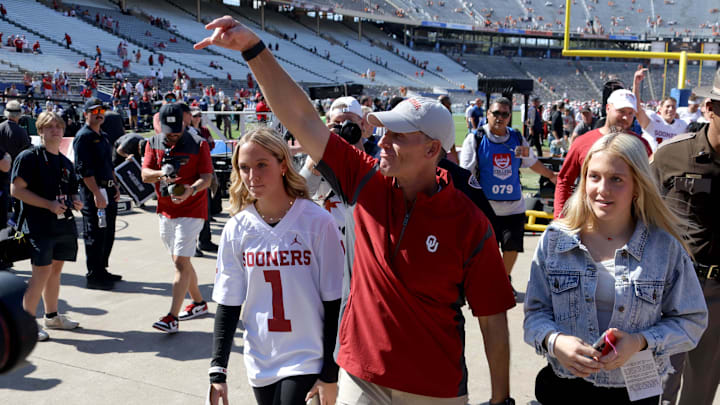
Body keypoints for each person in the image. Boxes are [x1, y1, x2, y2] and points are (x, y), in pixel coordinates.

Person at [195, 19, 516, 405]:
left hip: (436, 386)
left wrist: (501, 399)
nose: (383, 141)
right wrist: (253, 49)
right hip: (361, 378)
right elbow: (302, 118)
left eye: (398, 135)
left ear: (433, 151)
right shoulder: (366, 180)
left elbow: (492, 317)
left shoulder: (469, 222)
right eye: (384, 131)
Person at [524, 132, 708, 405]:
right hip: (565, 388)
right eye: (594, 176)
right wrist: (555, 342)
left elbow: (692, 322)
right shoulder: (555, 241)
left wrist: (640, 342)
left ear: (638, 186)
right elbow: (534, 316)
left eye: (616, 179)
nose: (602, 189)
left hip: (636, 391)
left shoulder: (664, 248)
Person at [208, 128, 344, 405]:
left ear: (283, 164)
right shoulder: (237, 228)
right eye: (244, 167)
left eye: (261, 165)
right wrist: (217, 371)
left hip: (308, 356)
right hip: (260, 357)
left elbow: (336, 303)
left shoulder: (317, 222)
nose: (252, 176)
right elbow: (229, 302)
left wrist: (331, 373)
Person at [654, 69, 720, 405]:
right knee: (658, 388)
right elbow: (639, 214)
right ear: (710, 107)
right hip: (674, 287)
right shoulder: (671, 155)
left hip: (719, 294)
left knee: (700, 392)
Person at [460, 97, 557, 295]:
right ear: (488, 114)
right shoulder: (476, 139)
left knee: (512, 247)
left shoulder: (516, 138)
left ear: (509, 116)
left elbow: (531, 161)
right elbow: (465, 172)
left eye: (504, 114)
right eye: (496, 113)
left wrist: (551, 175)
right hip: (485, 208)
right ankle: (485, 282)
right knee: (487, 251)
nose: (500, 118)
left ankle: (502, 281)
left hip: (514, 207)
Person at [11, 112, 84, 341]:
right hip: (38, 224)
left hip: (62, 224)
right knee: (40, 273)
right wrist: (48, 205)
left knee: (55, 270)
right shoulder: (29, 157)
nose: (55, 130)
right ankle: (25, 326)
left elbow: (72, 188)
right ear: (40, 130)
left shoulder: (65, 161)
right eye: (49, 126)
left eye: (58, 126)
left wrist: (76, 199)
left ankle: (52, 317)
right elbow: (17, 190)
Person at [141, 103, 213, 333]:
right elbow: (144, 174)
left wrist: (191, 189)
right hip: (165, 210)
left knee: (181, 262)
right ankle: (199, 303)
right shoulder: (152, 143)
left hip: (192, 210)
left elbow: (207, 178)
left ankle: (172, 317)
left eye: (177, 131)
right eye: (169, 132)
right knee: (180, 261)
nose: (173, 136)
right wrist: (163, 173)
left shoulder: (198, 144)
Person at [553, 89, 652, 218]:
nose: (626, 118)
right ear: (607, 108)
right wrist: (560, 218)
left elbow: (650, 187)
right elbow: (564, 181)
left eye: (630, 113)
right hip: (588, 221)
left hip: (630, 225)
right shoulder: (583, 142)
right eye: (621, 111)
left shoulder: (642, 145)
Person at [72, 98, 121, 290]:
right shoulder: (83, 137)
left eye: (101, 111)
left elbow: (109, 165)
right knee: (95, 233)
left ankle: (102, 269)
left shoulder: (104, 136)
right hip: (94, 191)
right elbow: (84, 170)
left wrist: (115, 186)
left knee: (108, 232)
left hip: (108, 189)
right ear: (86, 114)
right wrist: (96, 193)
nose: (99, 114)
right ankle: (94, 275)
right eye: (94, 111)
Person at [633, 68, 688, 150]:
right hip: (650, 161)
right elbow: (637, 109)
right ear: (660, 109)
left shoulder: (682, 125)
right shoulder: (652, 119)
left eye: (673, 107)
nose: (670, 109)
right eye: (668, 106)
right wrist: (636, 84)